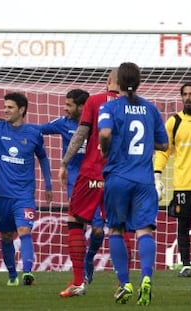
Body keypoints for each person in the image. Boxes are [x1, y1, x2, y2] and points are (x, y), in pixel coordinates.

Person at [98, 62, 168, 305]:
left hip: (118, 177)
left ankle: (125, 282)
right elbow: (164, 144)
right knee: (144, 230)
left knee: (115, 229)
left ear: (117, 82)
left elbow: (105, 134)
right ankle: (146, 278)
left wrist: (106, 150)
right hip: (144, 180)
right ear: (139, 82)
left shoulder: (108, 107)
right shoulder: (150, 109)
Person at [33, 89, 106, 283]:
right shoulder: (62, 123)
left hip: (97, 178)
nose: (65, 108)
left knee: (98, 230)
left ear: (82, 107)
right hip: (75, 180)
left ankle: (89, 257)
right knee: (77, 225)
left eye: (69, 105)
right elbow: (37, 128)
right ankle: (80, 271)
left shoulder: (99, 123)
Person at [58, 68, 119, 297]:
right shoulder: (138, 105)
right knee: (118, 227)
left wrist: (65, 162)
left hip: (93, 172)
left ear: (109, 81)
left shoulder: (94, 101)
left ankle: (77, 282)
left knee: (75, 221)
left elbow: (81, 134)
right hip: (120, 175)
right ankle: (124, 283)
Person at [0, 92, 52, 286]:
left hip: (24, 194)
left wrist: (48, 184)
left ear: (21, 110)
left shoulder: (33, 133)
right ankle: (12, 275)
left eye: (10, 107)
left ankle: (27, 272)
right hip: (1, 194)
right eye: (5, 106)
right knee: (6, 236)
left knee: (24, 230)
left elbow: (43, 157)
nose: (5, 110)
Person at [154, 82, 191, 278]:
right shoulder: (174, 122)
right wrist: (157, 172)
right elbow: (164, 151)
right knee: (183, 223)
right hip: (182, 183)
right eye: (185, 94)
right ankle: (186, 264)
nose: (188, 98)